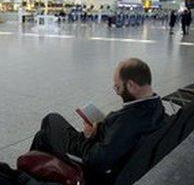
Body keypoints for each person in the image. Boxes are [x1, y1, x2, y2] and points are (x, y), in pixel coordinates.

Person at [30, 58, 165, 183]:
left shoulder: (129, 121)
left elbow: (96, 161)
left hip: (90, 164)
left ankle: (25, 176)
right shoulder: (156, 106)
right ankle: (30, 175)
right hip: (111, 149)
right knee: (42, 137)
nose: (117, 92)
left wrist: (89, 138)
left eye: (117, 87)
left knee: (51, 119)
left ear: (130, 85)